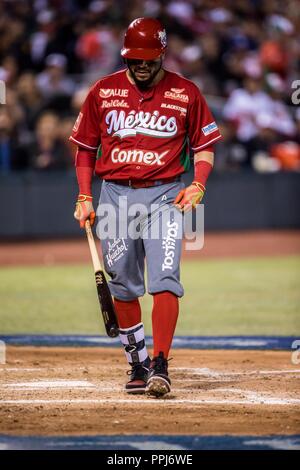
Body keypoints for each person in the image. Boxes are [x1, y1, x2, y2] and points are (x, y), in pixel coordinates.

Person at [70, 18, 221, 397]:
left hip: (164, 196)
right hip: (114, 197)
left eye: (148, 59)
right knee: (122, 284)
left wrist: (198, 185)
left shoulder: (186, 93)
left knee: (165, 278)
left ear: (162, 55)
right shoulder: (102, 92)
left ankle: (160, 363)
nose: (140, 65)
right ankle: (136, 364)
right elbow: (85, 149)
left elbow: (204, 146)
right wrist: (84, 196)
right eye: (133, 58)